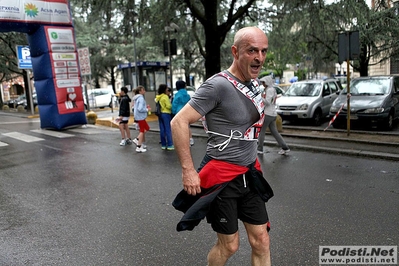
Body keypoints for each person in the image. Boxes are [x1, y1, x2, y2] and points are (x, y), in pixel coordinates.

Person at [171, 27, 273, 265]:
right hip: (223, 177)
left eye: (263, 51)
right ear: (235, 52)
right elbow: (179, 121)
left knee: (261, 241)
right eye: (252, 51)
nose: (259, 57)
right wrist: (188, 170)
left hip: (249, 175)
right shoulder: (217, 86)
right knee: (230, 245)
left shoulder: (254, 84)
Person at [257, 76, 290, 155]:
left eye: (264, 82)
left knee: (262, 131)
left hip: (267, 113)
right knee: (275, 132)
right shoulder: (272, 89)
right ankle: (285, 147)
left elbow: (267, 102)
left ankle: (260, 149)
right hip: (273, 113)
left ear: (267, 82)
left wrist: (259, 97)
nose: (263, 84)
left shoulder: (269, 90)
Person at [172, 80, 194, 146]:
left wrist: (173, 112)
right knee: (187, 126)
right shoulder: (187, 95)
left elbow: (174, 104)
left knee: (180, 127)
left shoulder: (177, 95)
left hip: (178, 112)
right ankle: (190, 139)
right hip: (186, 112)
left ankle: (183, 140)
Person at [155, 84, 174, 150]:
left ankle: (163, 144)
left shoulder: (158, 97)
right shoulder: (165, 97)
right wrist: (171, 105)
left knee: (162, 129)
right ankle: (170, 145)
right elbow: (168, 106)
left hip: (160, 114)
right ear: (164, 89)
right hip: (166, 113)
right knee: (168, 129)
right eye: (166, 88)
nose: (167, 89)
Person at [132, 85, 150, 153]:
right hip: (141, 117)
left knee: (146, 128)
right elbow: (140, 108)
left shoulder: (136, 98)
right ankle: (138, 145)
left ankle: (138, 143)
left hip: (138, 116)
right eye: (143, 90)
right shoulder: (141, 98)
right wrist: (146, 109)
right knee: (142, 131)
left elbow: (136, 108)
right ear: (140, 91)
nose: (144, 91)